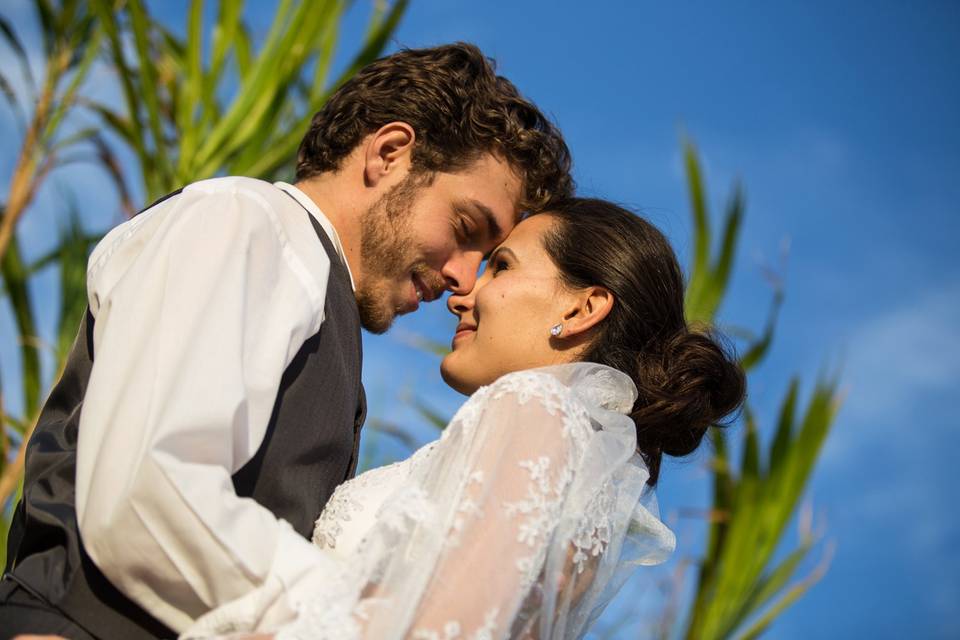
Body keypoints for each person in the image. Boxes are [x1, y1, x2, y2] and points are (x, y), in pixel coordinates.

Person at [0, 43, 572, 640]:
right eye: (465, 228)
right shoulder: (245, 223)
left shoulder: (321, 300)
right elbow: (147, 495)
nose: (463, 278)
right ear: (390, 153)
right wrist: (360, 618)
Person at [183, 198, 747, 639]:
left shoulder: (535, 409)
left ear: (580, 309)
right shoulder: (587, 473)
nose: (462, 294)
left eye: (500, 266)